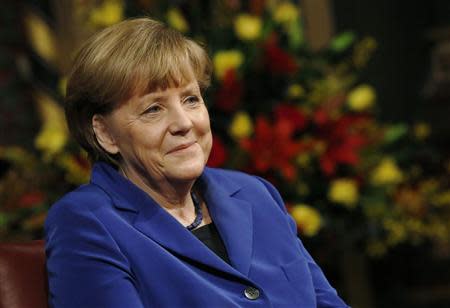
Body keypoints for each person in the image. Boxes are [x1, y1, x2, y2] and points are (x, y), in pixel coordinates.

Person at [45, 17, 349, 307]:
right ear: (105, 133)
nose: (183, 123)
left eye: (191, 99)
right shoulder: (86, 222)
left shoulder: (255, 194)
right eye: (153, 109)